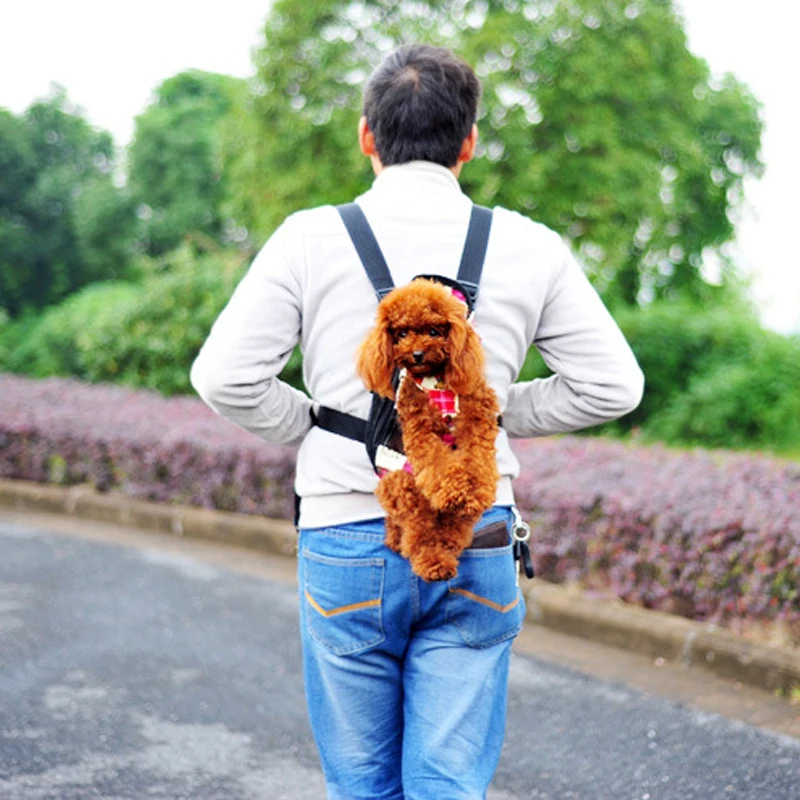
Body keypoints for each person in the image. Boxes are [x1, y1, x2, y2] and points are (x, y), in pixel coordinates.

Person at [191, 43, 644, 800]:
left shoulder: (308, 238)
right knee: (447, 785)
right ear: (468, 144)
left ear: (367, 136)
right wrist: (489, 415)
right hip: (480, 533)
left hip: (344, 533)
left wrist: (310, 422)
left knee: (363, 785)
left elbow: (223, 377)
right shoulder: (532, 245)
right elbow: (613, 386)